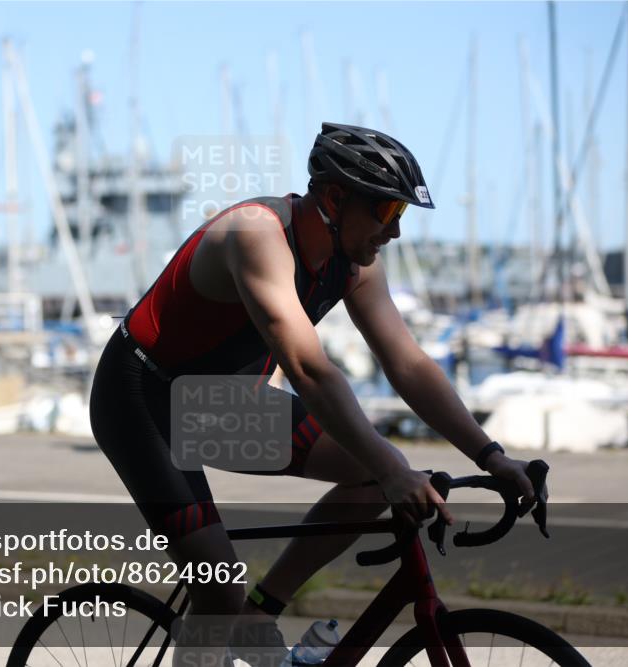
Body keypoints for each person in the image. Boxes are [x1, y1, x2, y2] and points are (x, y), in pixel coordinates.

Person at [89, 123, 542, 665]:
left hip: (216, 408)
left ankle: (259, 615)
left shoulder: (355, 265)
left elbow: (408, 362)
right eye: (388, 213)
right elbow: (307, 367)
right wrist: (394, 465)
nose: (394, 233)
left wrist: (490, 456)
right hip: (142, 399)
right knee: (218, 585)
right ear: (334, 197)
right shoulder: (257, 236)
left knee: (374, 472)